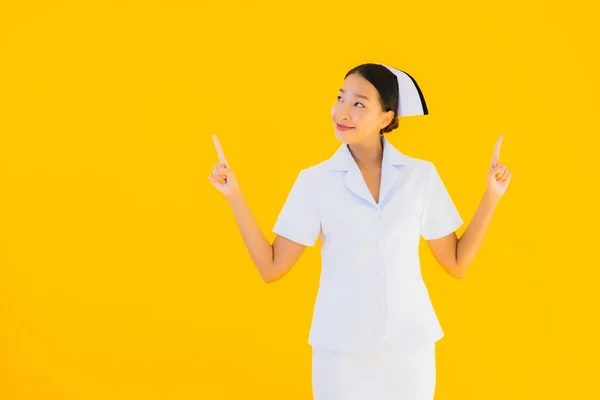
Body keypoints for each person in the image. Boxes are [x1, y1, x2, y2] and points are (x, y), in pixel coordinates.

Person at [208, 63, 512, 400]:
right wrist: (234, 194)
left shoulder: (420, 176)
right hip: (340, 352)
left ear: (385, 118)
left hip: (409, 350)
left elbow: (456, 263)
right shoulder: (316, 181)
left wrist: (491, 196)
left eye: (358, 103)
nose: (342, 111)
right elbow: (271, 267)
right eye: (340, 98)